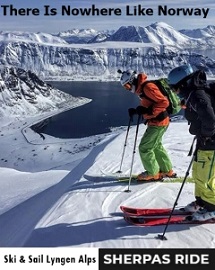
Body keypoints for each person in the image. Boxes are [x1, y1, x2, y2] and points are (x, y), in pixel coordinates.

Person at [168, 63, 215, 221]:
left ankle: (213, 207)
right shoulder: (193, 94)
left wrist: (206, 134)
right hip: (204, 143)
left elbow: (210, 119)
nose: (175, 92)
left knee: (206, 176)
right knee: (198, 173)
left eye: (175, 88)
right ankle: (202, 202)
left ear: (183, 83)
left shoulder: (197, 95)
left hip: (211, 144)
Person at [119, 69, 176, 181]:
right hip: (159, 121)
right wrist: (137, 111)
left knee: (145, 148)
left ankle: (153, 173)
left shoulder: (147, 87)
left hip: (158, 122)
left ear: (132, 81)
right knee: (156, 146)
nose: (128, 89)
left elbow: (164, 102)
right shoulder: (142, 89)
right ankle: (166, 170)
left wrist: (149, 112)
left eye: (127, 86)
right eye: (125, 87)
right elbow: (150, 104)